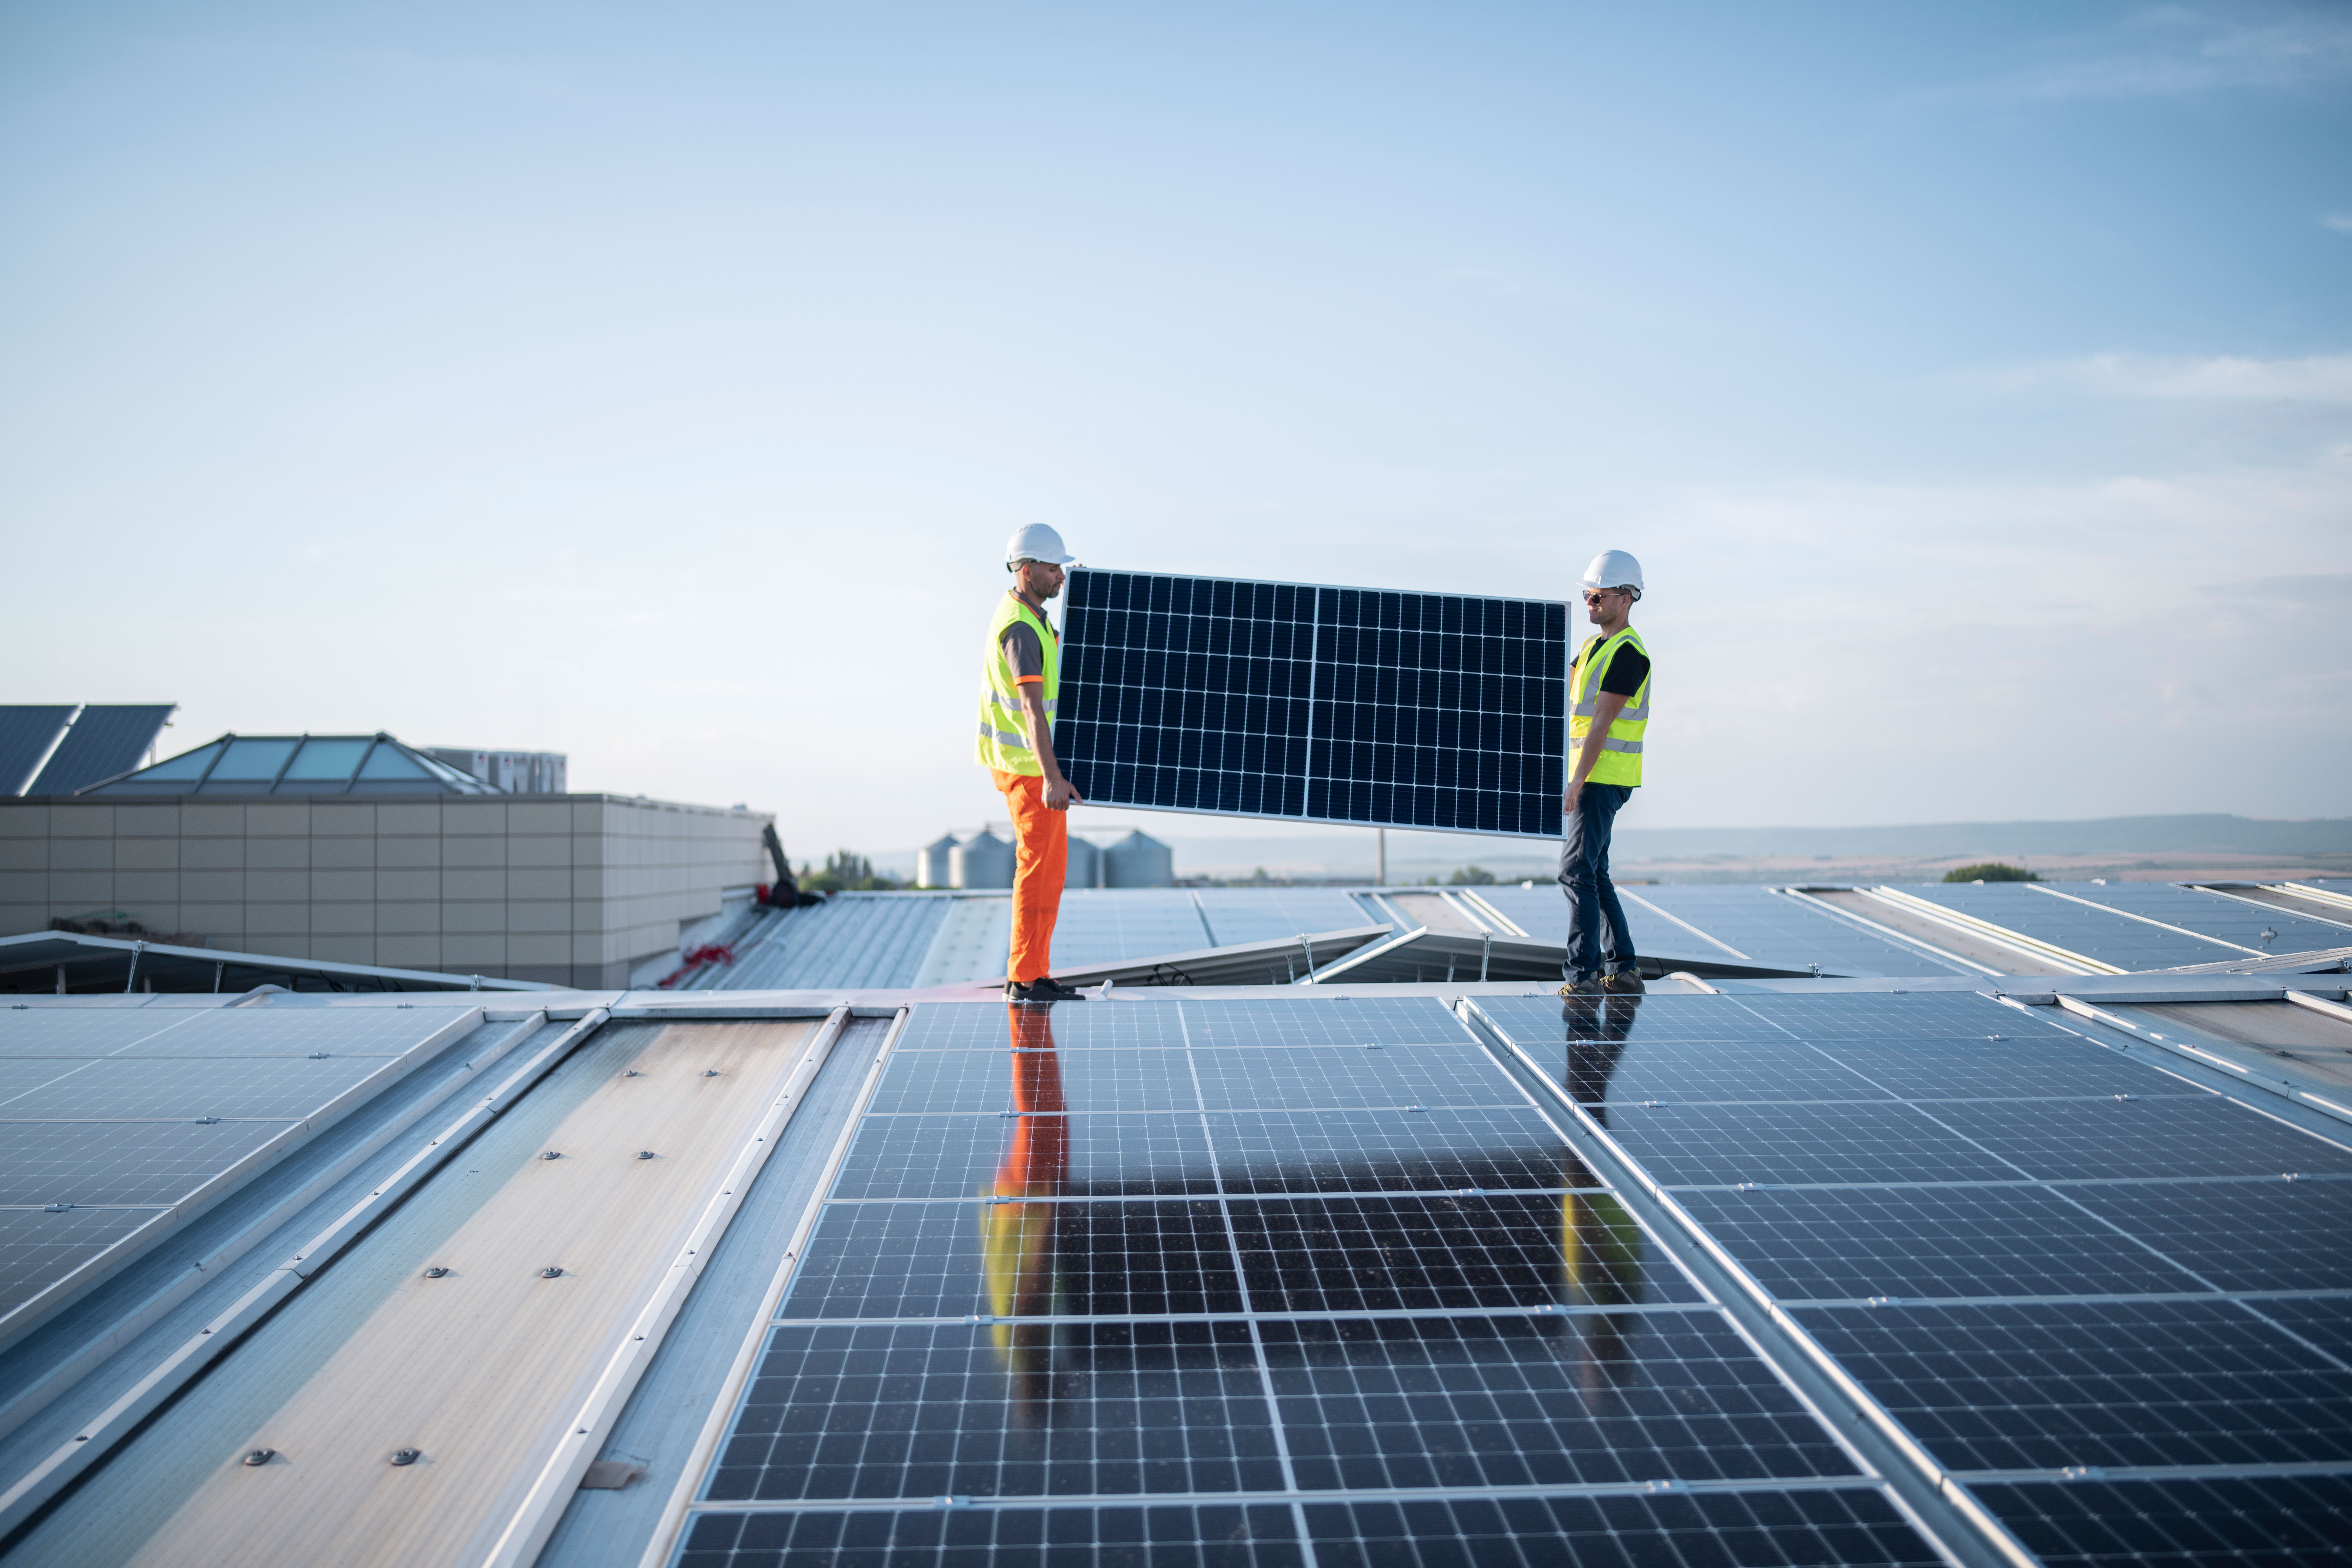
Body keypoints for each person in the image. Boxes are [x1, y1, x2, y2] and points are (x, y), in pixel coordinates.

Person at [978, 525, 1088, 1003]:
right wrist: (1053, 777)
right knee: (1038, 870)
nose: (1060, 575)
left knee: (1048, 871)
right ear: (1027, 571)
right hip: (1030, 771)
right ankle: (1026, 977)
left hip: (1033, 767)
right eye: (1052, 567)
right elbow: (1029, 708)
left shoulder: (1035, 618)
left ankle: (1032, 972)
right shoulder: (1021, 628)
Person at [1559, 549, 1651, 996]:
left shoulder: (1629, 654)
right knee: (1594, 872)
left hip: (1602, 778)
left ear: (1626, 598)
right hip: (1591, 776)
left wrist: (1577, 781)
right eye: (1587, 594)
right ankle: (1624, 966)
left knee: (1575, 870)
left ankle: (1583, 976)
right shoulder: (1590, 648)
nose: (1591, 601)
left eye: (1599, 595)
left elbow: (1601, 723)